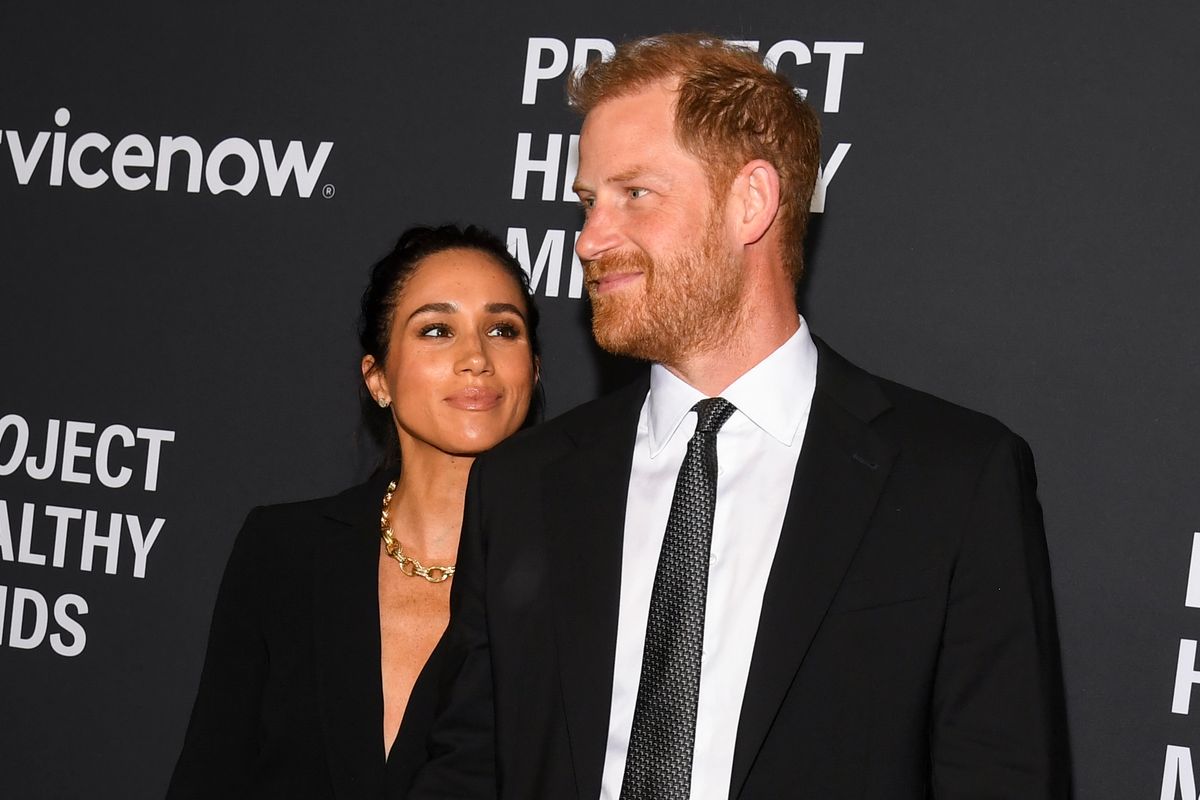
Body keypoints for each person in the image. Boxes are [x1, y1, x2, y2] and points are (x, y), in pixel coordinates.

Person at [409, 34, 1070, 799]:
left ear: (750, 202)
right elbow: (468, 766)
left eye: (635, 194)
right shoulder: (523, 485)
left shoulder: (954, 480)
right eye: (589, 202)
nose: (590, 239)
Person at [167, 224, 541, 799]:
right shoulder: (283, 550)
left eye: (502, 329)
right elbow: (209, 774)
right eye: (437, 330)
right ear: (378, 378)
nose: (476, 358)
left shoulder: (575, 581)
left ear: (533, 372)